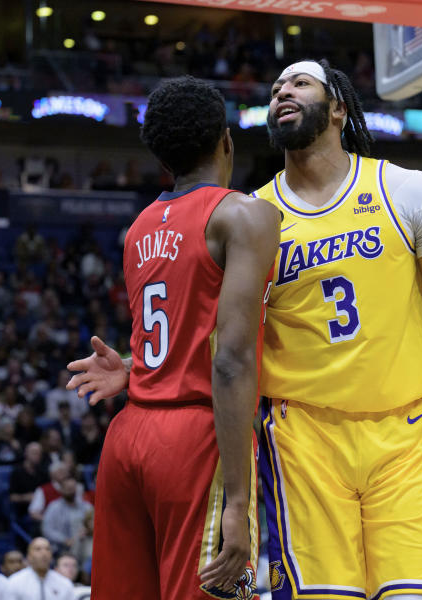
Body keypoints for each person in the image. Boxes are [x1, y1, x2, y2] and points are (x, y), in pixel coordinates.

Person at [68, 59, 422, 599]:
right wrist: (139, 368)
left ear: (338, 107)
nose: (283, 90)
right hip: (300, 439)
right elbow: (218, 338)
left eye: (300, 82)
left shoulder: (408, 191)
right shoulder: (252, 214)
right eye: (275, 88)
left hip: (400, 434)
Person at [64, 76, 280, 599]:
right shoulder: (244, 213)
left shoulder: (139, 226)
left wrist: (137, 368)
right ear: (226, 140)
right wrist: (235, 500)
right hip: (197, 440)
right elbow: (227, 358)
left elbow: (176, 325)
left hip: (129, 435)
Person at [7, 537, 75, 600]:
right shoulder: (15, 582)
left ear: (51, 556)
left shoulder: (64, 583)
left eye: (47, 549)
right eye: (38, 549)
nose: (44, 553)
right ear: (29, 556)